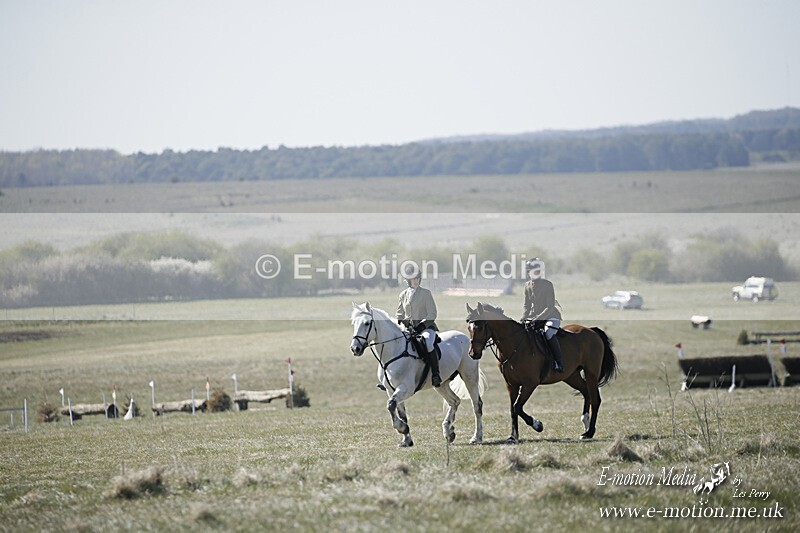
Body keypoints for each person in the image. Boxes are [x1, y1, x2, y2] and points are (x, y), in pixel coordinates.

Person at [396, 265, 441, 387]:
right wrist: (402, 321)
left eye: (417, 279)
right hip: (409, 329)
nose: (415, 281)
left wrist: (422, 325)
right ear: (408, 281)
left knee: (427, 342)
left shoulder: (426, 293)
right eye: (413, 279)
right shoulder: (403, 295)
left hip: (426, 328)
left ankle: (436, 374)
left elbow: (432, 313)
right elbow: (399, 313)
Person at [521, 258, 564, 372]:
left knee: (548, 332)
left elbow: (549, 307)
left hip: (551, 316)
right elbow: (527, 305)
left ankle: (558, 362)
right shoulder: (527, 286)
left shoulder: (547, 285)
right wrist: (524, 318)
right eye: (530, 271)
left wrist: (538, 318)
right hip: (536, 317)